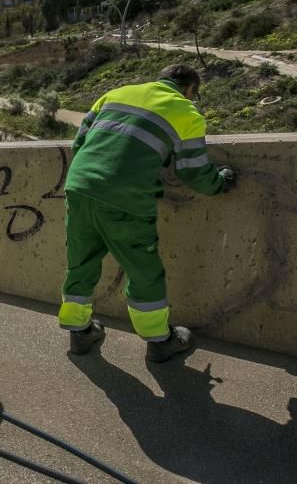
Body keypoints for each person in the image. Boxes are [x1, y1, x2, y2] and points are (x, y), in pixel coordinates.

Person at [59, 64, 236, 362]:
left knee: (81, 264)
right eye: (195, 95)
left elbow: (80, 142)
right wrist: (221, 182)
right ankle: (160, 340)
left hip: (79, 187)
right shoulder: (185, 111)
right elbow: (193, 172)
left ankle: (79, 333)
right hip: (125, 198)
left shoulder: (116, 93)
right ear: (189, 89)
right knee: (144, 271)